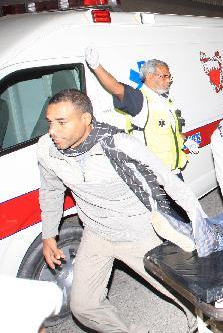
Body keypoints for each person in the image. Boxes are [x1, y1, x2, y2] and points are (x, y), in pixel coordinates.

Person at [38, 89, 200, 333]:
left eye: (62, 122)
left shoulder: (118, 144)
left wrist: (201, 222)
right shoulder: (47, 149)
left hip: (138, 231)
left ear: (85, 119)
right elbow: (51, 190)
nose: (53, 131)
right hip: (96, 232)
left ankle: (201, 322)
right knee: (83, 306)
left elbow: (169, 180)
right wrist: (48, 234)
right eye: (50, 122)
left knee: (185, 293)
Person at [85, 47, 193, 177]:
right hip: (155, 176)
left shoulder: (164, 101)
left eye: (169, 77)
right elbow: (116, 88)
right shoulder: (140, 100)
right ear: (149, 77)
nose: (168, 80)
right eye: (164, 76)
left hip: (174, 172)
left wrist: (186, 140)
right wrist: (96, 66)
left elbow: (167, 132)